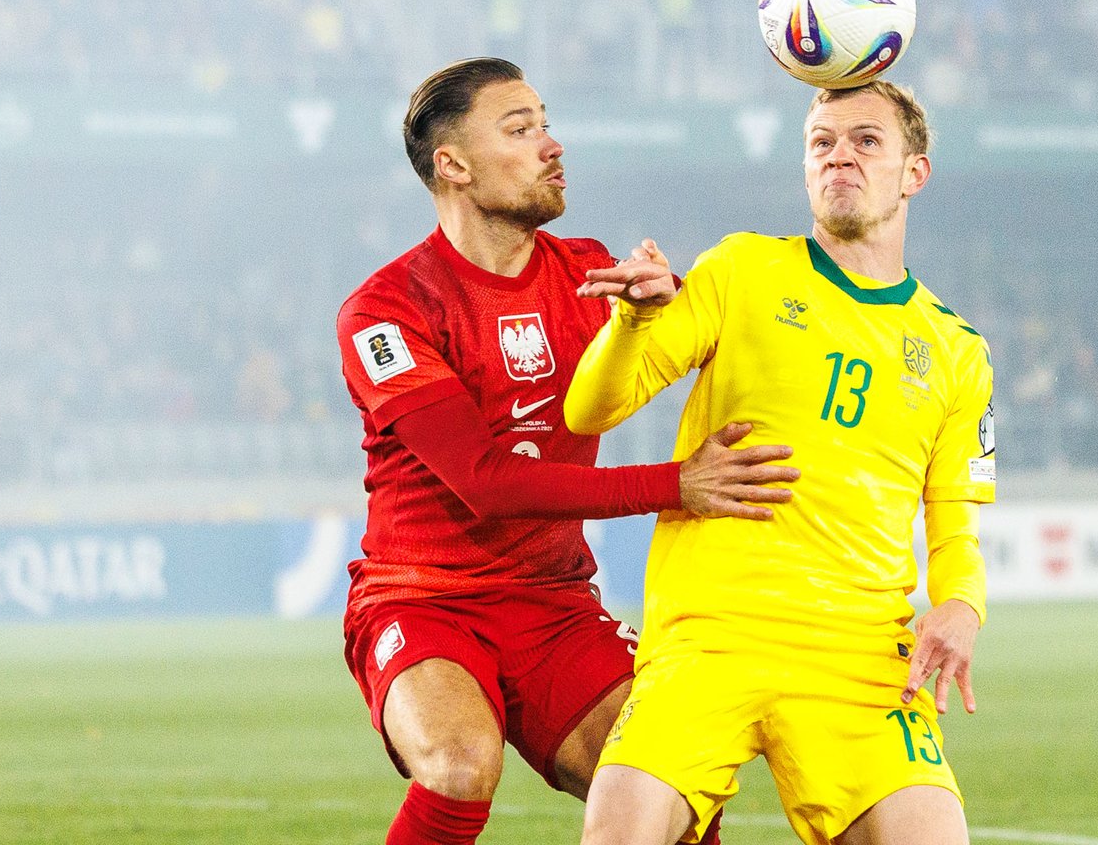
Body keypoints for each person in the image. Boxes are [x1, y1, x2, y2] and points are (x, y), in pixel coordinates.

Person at [335, 57, 799, 845]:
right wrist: (676, 484)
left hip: (552, 602)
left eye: (546, 125)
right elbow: (485, 482)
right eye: (520, 130)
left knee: (669, 789)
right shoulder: (386, 310)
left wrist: (664, 313)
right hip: (424, 597)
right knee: (459, 764)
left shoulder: (589, 273)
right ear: (453, 165)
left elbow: (713, 345)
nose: (552, 146)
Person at [564, 80, 995, 845]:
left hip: (859, 657)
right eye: (822, 142)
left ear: (915, 173)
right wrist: (632, 320)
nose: (840, 157)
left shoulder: (958, 352)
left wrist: (962, 605)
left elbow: (955, 524)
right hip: (709, 637)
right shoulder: (742, 270)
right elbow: (589, 411)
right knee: (617, 829)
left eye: (866, 141)